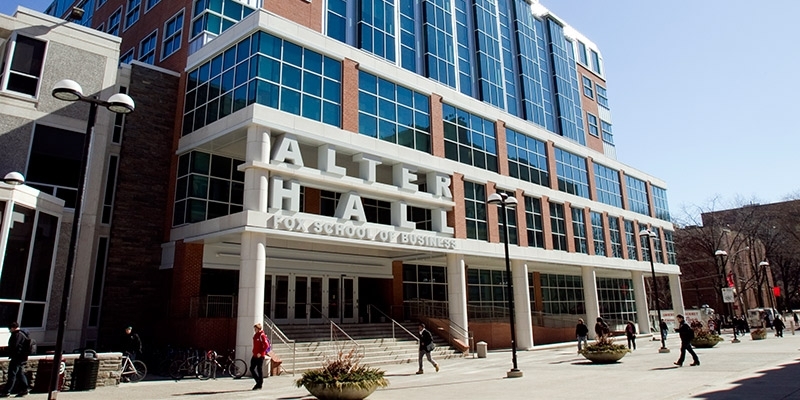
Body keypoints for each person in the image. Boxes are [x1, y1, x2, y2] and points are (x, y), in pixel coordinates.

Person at [1, 322, 29, 398]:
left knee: (12, 374)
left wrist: (7, 350)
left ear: (13, 328)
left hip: (17, 357)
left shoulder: (17, 335)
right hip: (22, 357)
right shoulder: (23, 334)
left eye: (10, 329)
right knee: (20, 373)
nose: (10, 330)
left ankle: (7, 391)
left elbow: (14, 347)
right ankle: (24, 389)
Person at [250, 323, 270, 390]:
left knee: (259, 369)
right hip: (255, 354)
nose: (254, 330)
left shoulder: (262, 335)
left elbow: (266, 345)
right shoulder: (256, 335)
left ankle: (259, 383)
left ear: (258, 329)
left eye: (255, 329)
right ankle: (258, 381)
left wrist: (261, 353)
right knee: (252, 368)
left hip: (260, 355)